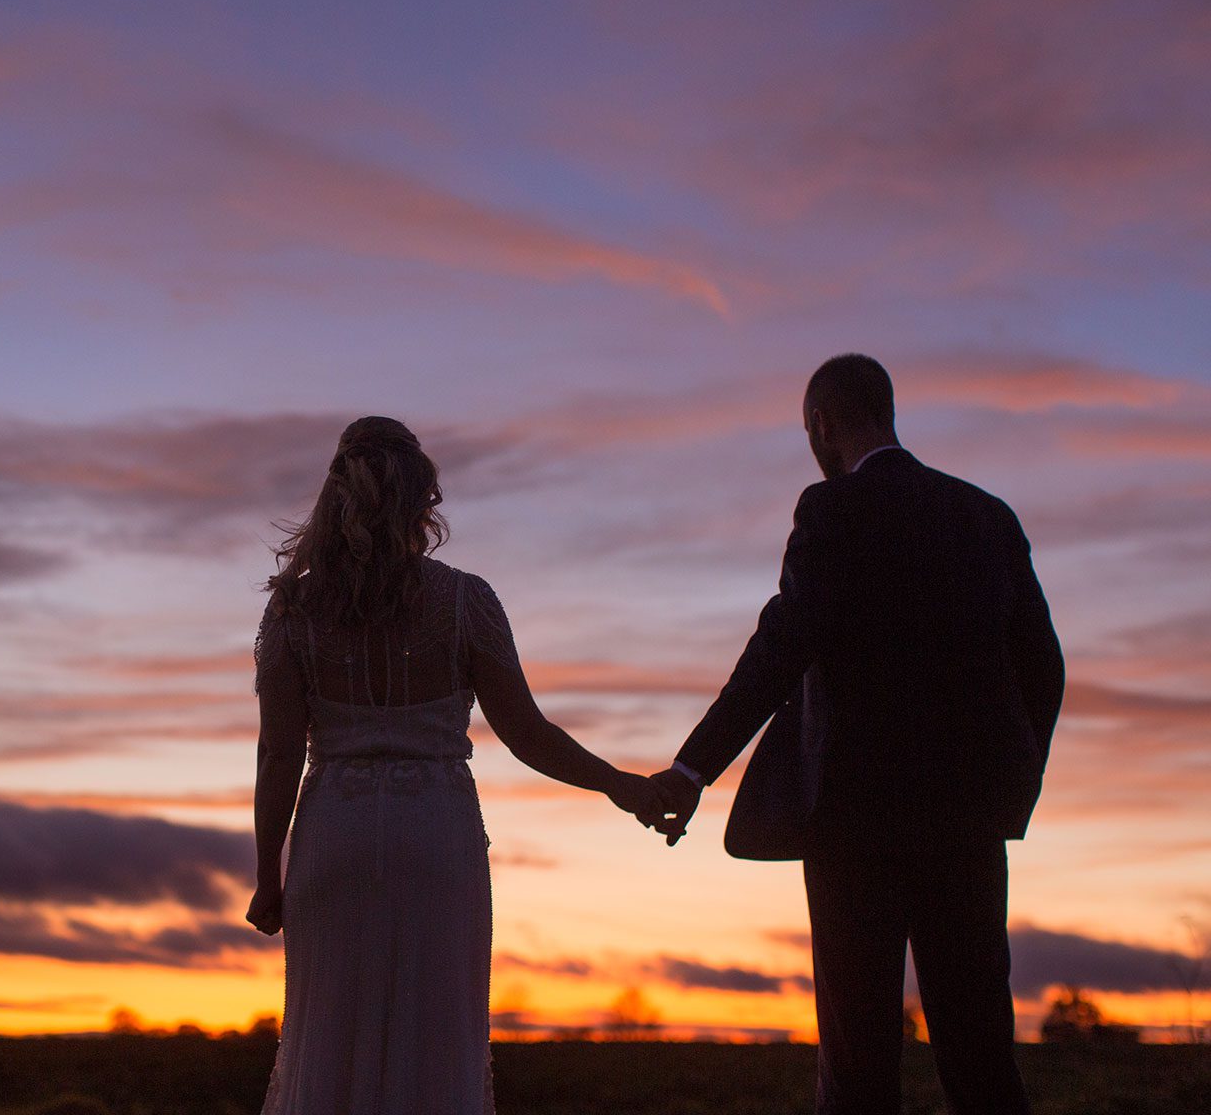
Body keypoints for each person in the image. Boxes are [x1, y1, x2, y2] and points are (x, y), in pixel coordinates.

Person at [649, 354, 1065, 1114]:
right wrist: (1009, 781)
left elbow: (781, 648)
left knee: (857, 1065)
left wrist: (692, 768)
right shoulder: (986, 515)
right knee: (982, 1059)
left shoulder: (832, 511)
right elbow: (1043, 667)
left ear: (822, 424)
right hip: (969, 827)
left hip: (853, 827)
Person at [247, 415, 664, 1114]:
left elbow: (278, 753)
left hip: (333, 841)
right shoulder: (466, 601)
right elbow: (527, 732)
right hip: (435, 834)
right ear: (423, 503)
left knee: (329, 1037)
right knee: (434, 1041)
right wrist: (618, 785)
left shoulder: (292, 610)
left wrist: (269, 877)